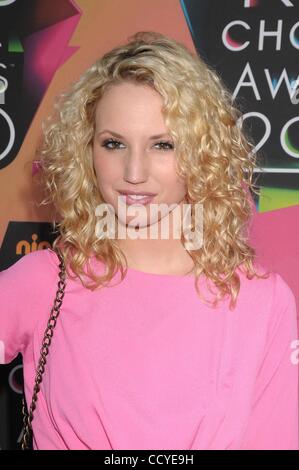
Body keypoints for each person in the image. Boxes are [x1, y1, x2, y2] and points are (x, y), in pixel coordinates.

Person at [0, 31, 298, 450]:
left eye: (163, 144)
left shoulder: (261, 302)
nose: (134, 171)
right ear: (87, 149)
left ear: (202, 153)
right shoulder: (45, 283)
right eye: (114, 143)